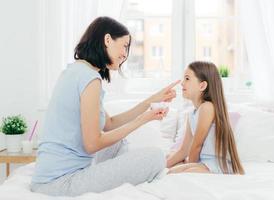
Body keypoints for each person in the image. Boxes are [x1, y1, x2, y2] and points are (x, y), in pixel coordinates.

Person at [30, 16, 180, 196]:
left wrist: (153, 100)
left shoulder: (76, 71)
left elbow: (109, 123)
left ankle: (126, 177)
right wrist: (142, 120)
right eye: (124, 46)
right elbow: (93, 143)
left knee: (117, 144)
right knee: (155, 157)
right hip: (61, 183)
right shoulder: (90, 79)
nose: (125, 54)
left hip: (48, 179)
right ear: (107, 39)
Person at [166, 61, 244, 175]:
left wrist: (188, 164)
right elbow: (183, 150)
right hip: (202, 164)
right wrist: (164, 165)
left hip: (215, 165)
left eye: (187, 79)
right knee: (169, 170)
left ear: (202, 85)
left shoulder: (207, 107)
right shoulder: (191, 114)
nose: (182, 83)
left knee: (175, 173)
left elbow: (197, 145)